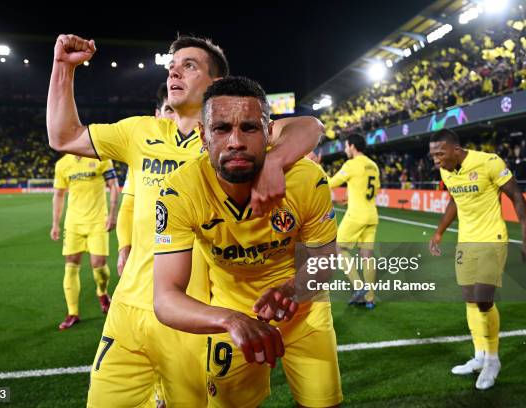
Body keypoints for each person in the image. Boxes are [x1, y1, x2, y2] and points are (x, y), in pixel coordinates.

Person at [47, 33, 324, 407]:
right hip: (130, 308)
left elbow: (308, 127)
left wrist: (275, 161)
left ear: (215, 84)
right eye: (172, 66)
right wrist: (63, 68)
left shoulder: (230, 137)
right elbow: (64, 136)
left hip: (196, 318)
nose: (174, 72)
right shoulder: (140, 131)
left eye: (188, 65)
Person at [153, 76, 342, 408]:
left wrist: (293, 289)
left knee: (323, 403)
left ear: (269, 133)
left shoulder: (306, 180)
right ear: (202, 136)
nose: (236, 141)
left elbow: (325, 259)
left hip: (304, 307)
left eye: (250, 129)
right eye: (222, 128)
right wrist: (230, 319)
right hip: (230, 310)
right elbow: (165, 298)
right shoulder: (180, 190)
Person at [428, 128, 526, 390]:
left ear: (456, 150)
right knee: (469, 298)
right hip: (466, 241)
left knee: (483, 298)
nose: (436, 160)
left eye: (440, 154)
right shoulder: (446, 170)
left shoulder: (489, 162)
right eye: (433, 155)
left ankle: (492, 359)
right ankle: (479, 355)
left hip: (492, 238)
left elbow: (517, 197)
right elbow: (455, 200)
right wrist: (439, 231)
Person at [50, 154, 119, 330]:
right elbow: (58, 194)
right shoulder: (63, 164)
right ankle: (72, 313)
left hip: (98, 222)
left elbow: (113, 186)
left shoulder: (101, 159)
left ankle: (102, 293)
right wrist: (55, 224)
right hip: (73, 224)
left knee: (99, 265)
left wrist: (112, 214)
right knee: (71, 264)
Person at [116, 83, 176, 277]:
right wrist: (124, 247)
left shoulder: (204, 152)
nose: (175, 117)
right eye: (169, 110)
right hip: (142, 266)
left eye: (180, 111)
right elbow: (128, 206)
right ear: (157, 115)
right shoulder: (142, 153)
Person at [327, 134, 380, 309]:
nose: (344, 149)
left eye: (346, 146)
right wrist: (350, 197)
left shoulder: (351, 164)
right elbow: (371, 189)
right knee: (367, 255)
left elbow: (330, 183)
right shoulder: (373, 165)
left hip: (356, 215)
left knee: (338, 248)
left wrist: (314, 167)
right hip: (372, 214)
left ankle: (359, 287)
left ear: (352, 146)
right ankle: (370, 298)